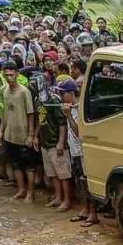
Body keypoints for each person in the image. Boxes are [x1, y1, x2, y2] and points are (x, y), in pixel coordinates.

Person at [0, 61, 38, 203]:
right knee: (15, 164)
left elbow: (31, 114)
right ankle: (21, 189)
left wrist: (31, 135)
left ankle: (30, 193)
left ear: (17, 74)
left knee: (29, 166)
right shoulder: (3, 90)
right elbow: (4, 113)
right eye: (6, 75)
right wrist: (1, 131)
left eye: (12, 75)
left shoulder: (24, 92)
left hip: (24, 134)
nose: (9, 78)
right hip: (10, 134)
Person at [59, 78, 99, 228]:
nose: (61, 97)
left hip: (83, 152)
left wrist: (69, 115)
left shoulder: (80, 108)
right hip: (74, 151)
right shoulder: (70, 107)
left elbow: (79, 133)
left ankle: (93, 214)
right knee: (79, 182)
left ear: (70, 93)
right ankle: (84, 210)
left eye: (63, 94)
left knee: (87, 183)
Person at [39, 80, 72, 212]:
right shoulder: (38, 100)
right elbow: (39, 119)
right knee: (52, 173)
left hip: (55, 142)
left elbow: (62, 123)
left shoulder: (53, 100)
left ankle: (67, 200)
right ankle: (58, 197)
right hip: (44, 142)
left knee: (63, 174)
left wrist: (60, 142)